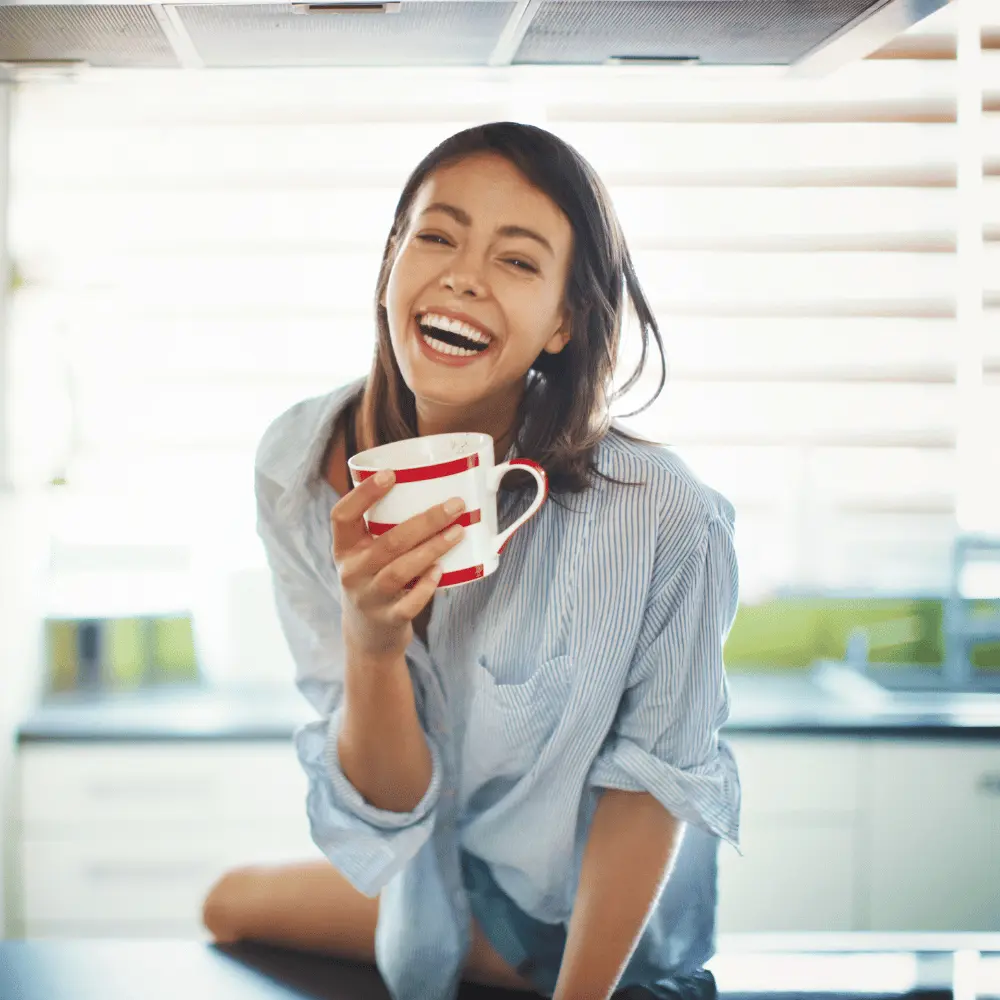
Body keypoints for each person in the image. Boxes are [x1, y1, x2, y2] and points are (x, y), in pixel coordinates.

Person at [201, 121, 741, 1000]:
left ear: (564, 320)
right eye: (439, 236)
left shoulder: (665, 516)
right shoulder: (295, 466)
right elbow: (384, 812)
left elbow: (652, 786)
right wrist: (372, 641)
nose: (462, 275)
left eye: (518, 261)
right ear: (390, 265)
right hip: (432, 892)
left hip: (589, 928)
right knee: (225, 905)